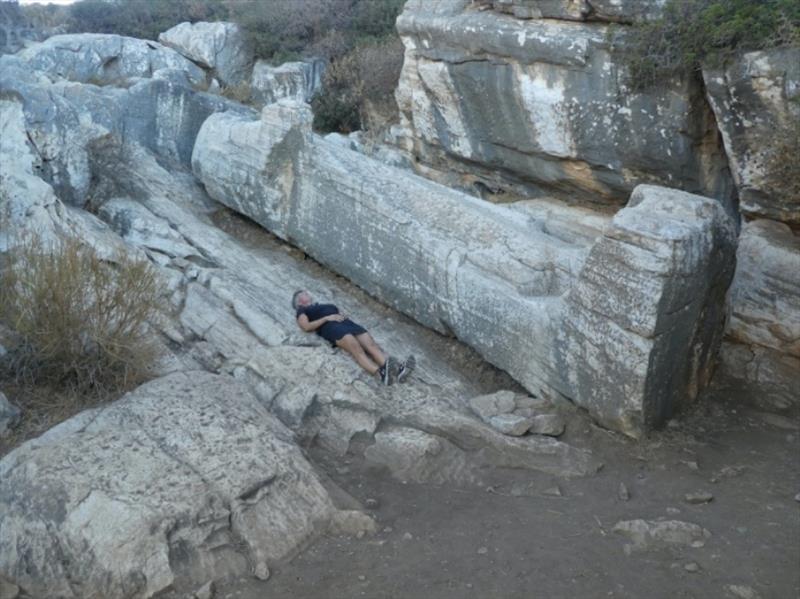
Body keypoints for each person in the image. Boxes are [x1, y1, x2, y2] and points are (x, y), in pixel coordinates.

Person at [292, 290, 414, 385]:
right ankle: (381, 374)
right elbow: (306, 326)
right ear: (299, 302)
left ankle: (397, 372)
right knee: (357, 350)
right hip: (331, 327)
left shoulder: (320, 305)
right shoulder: (302, 310)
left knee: (372, 346)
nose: (306, 293)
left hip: (347, 324)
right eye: (303, 294)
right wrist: (326, 318)